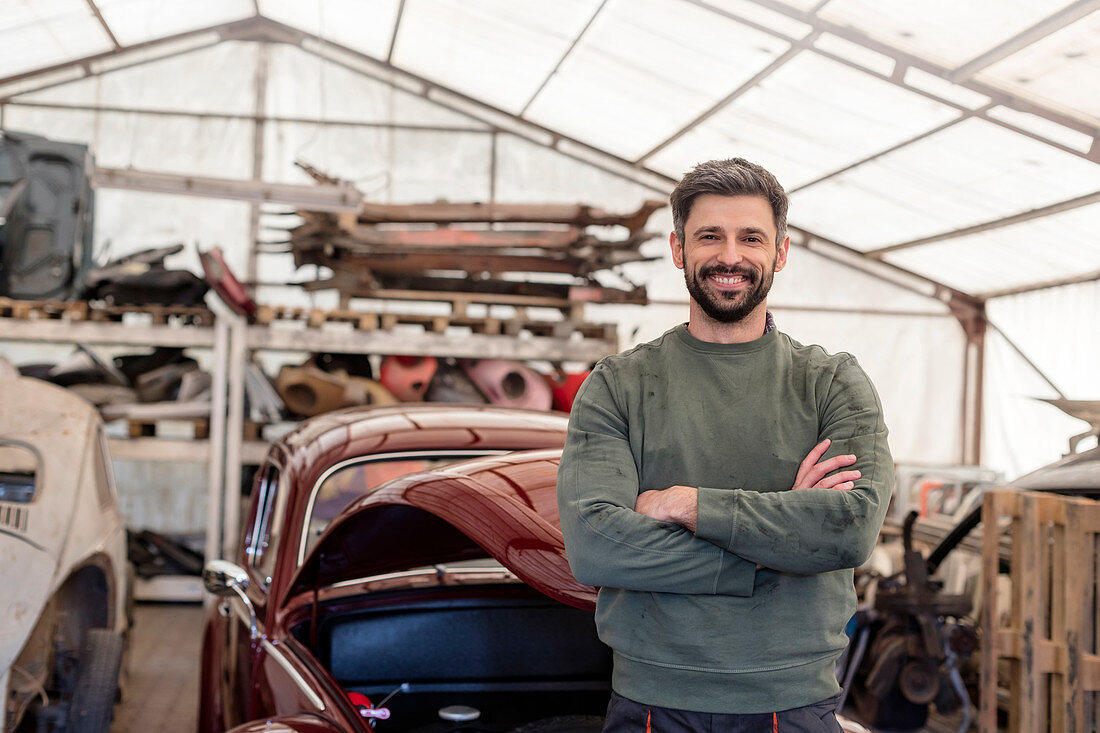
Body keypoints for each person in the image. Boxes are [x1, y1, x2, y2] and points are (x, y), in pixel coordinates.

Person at [557, 158, 893, 732]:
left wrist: (689, 505)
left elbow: (849, 529)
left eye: (751, 238)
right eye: (709, 236)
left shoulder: (832, 382)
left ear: (780, 253)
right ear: (678, 249)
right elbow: (595, 546)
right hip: (651, 703)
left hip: (792, 704)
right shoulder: (616, 384)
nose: (730, 256)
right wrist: (777, 543)